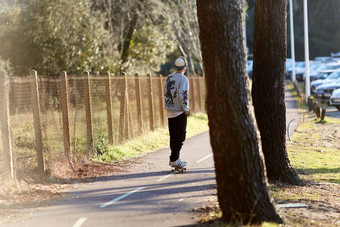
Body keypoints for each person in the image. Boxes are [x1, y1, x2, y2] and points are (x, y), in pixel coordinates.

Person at [164, 56, 190, 168]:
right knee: (180, 136)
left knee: (173, 136)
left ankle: (174, 157)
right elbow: (182, 94)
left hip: (170, 109)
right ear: (185, 66)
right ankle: (174, 158)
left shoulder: (169, 77)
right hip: (179, 111)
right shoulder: (184, 79)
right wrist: (186, 108)